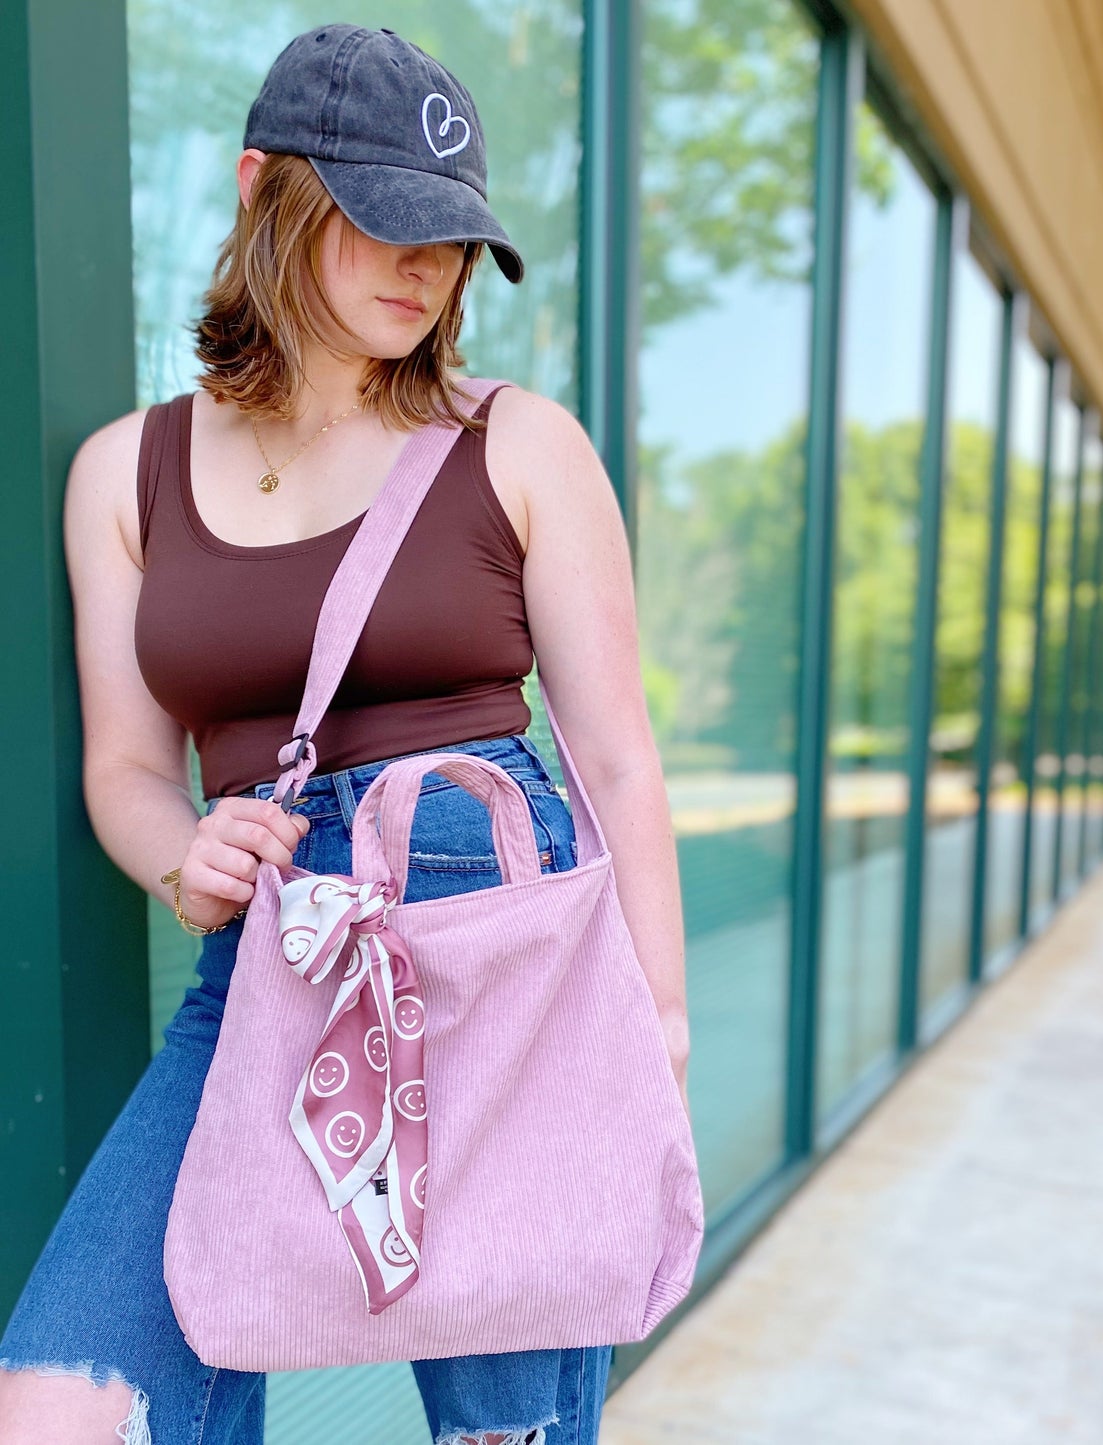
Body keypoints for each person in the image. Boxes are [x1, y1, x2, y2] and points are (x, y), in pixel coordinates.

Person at [0, 23, 690, 1445]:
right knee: (63, 1411)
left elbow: (618, 759)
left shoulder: (518, 444)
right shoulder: (127, 473)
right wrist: (181, 857)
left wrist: (657, 1029)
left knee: (499, 1440)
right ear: (263, 189)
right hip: (270, 971)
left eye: (449, 236)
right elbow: (125, 766)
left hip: (510, 988)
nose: (422, 266)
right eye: (381, 218)